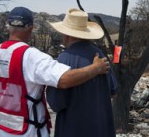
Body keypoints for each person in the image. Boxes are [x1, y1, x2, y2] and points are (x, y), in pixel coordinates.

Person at [0, 7, 110, 137]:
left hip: (1, 131)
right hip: (30, 131)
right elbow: (63, 80)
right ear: (31, 28)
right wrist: (95, 68)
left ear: (7, 26)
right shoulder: (32, 57)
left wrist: (1, 110)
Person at [47, 8, 118, 137]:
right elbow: (113, 92)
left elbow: (56, 103)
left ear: (66, 35)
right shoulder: (101, 56)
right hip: (101, 130)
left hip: (72, 130)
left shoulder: (63, 59)